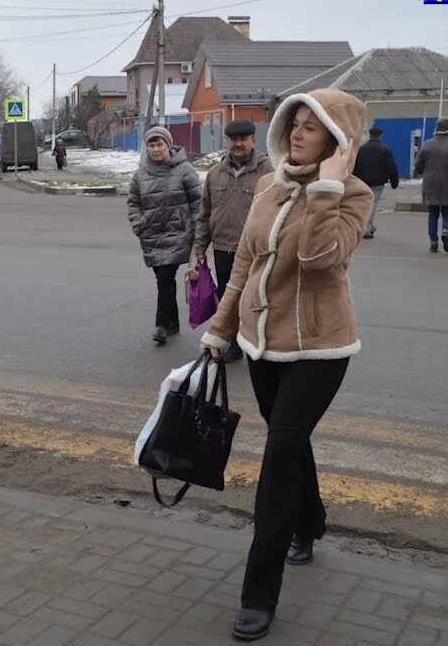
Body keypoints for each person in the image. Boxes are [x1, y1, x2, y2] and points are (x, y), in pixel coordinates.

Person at [199, 89, 373, 641]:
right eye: (294, 124)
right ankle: (312, 519)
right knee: (287, 438)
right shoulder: (269, 187)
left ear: (337, 140)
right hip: (260, 342)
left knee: (278, 454)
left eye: (312, 127)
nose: (298, 133)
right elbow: (246, 264)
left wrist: (326, 187)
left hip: (321, 348)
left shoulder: (355, 194)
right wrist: (220, 330)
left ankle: (258, 594)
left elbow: (323, 260)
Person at [191, 119, 273, 361]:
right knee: (231, 297)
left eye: (243, 139)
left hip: (256, 249)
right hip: (224, 249)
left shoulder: (268, 171)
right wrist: (200, 247)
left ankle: (262, 339)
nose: (238, 144)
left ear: (253, 141)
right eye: (233, 139)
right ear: (227, 141)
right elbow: (205, 213)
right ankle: (237, 343)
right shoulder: (216, 173)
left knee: (258, 297)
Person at [127, 126, 201, 346]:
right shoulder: (141, 174)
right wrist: (139, 224)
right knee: (164, 280)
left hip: (179, 234)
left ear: (168, 145)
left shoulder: (185, 170)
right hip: (152, 235)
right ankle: (172, 323)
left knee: (165, 279)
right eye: (151, 144)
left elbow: (198, 203)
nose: (155, 149)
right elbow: (133, 203)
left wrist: (198, 232)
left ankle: (160, 324)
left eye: (159, 144)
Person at [413, 117, 448, 253]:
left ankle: (433, 242)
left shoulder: (427, 145)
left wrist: (424, 172)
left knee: (433, 213)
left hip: (430, 182)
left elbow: (418, 164)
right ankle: (446, 231)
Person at [352, 125, 399, 239]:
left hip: (361, 181)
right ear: (380, 136)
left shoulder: (361, 149)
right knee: (372, 204)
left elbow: (354, 165)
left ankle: (365, 226)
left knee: (362, 205)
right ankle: (367, 229)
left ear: (370, 135)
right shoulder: (384, 149)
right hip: (377, 182)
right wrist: (394, 181)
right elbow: (391, 167)